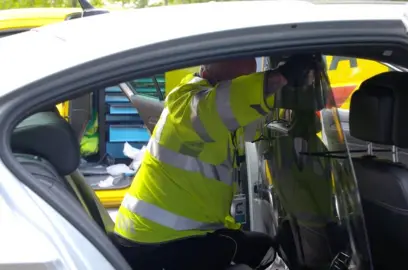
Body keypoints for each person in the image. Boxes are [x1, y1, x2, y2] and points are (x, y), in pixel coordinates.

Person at [113, 55, 315, 270]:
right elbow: (225, 104)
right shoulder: (187, 104)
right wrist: (278, 78)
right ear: (210, 75)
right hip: (152, 243)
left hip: (183, 234)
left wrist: (295, 108)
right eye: (238, 83)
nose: (244, 86)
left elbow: (253, 120)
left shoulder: (222, 118)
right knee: (258, 252)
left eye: (249, 79)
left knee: (260, 246)